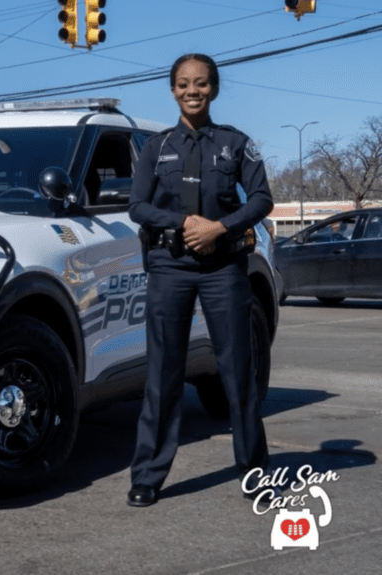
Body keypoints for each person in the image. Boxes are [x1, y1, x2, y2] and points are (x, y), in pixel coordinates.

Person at [126, 54, 273, 507]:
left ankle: (254, 472)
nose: (194, 91)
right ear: (173, 89)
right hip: (170, 267)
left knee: (238, 372)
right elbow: (137, 206)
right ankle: (148, 476)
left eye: (202, 83)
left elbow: (262, 198)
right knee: (163, 372)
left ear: (214, 88)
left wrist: (219, 227)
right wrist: (186, 222)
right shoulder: (157, 146)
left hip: (223, 267)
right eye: (185, 84)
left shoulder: (236, 144)